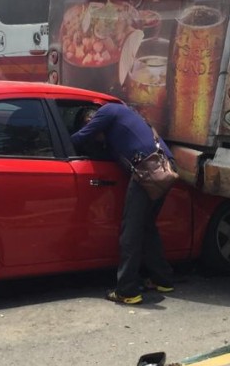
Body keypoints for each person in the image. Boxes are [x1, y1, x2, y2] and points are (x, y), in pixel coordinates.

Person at [71, 102, 176, 305]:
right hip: (166, 170)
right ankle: (163, 279)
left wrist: (60, 141)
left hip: (148, 171)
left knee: (131, 232)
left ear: (90, 118)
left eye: (90, 125)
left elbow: (80, 137)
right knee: (147, 227)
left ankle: (127, 291)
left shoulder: (107, 110)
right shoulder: (128, 119)